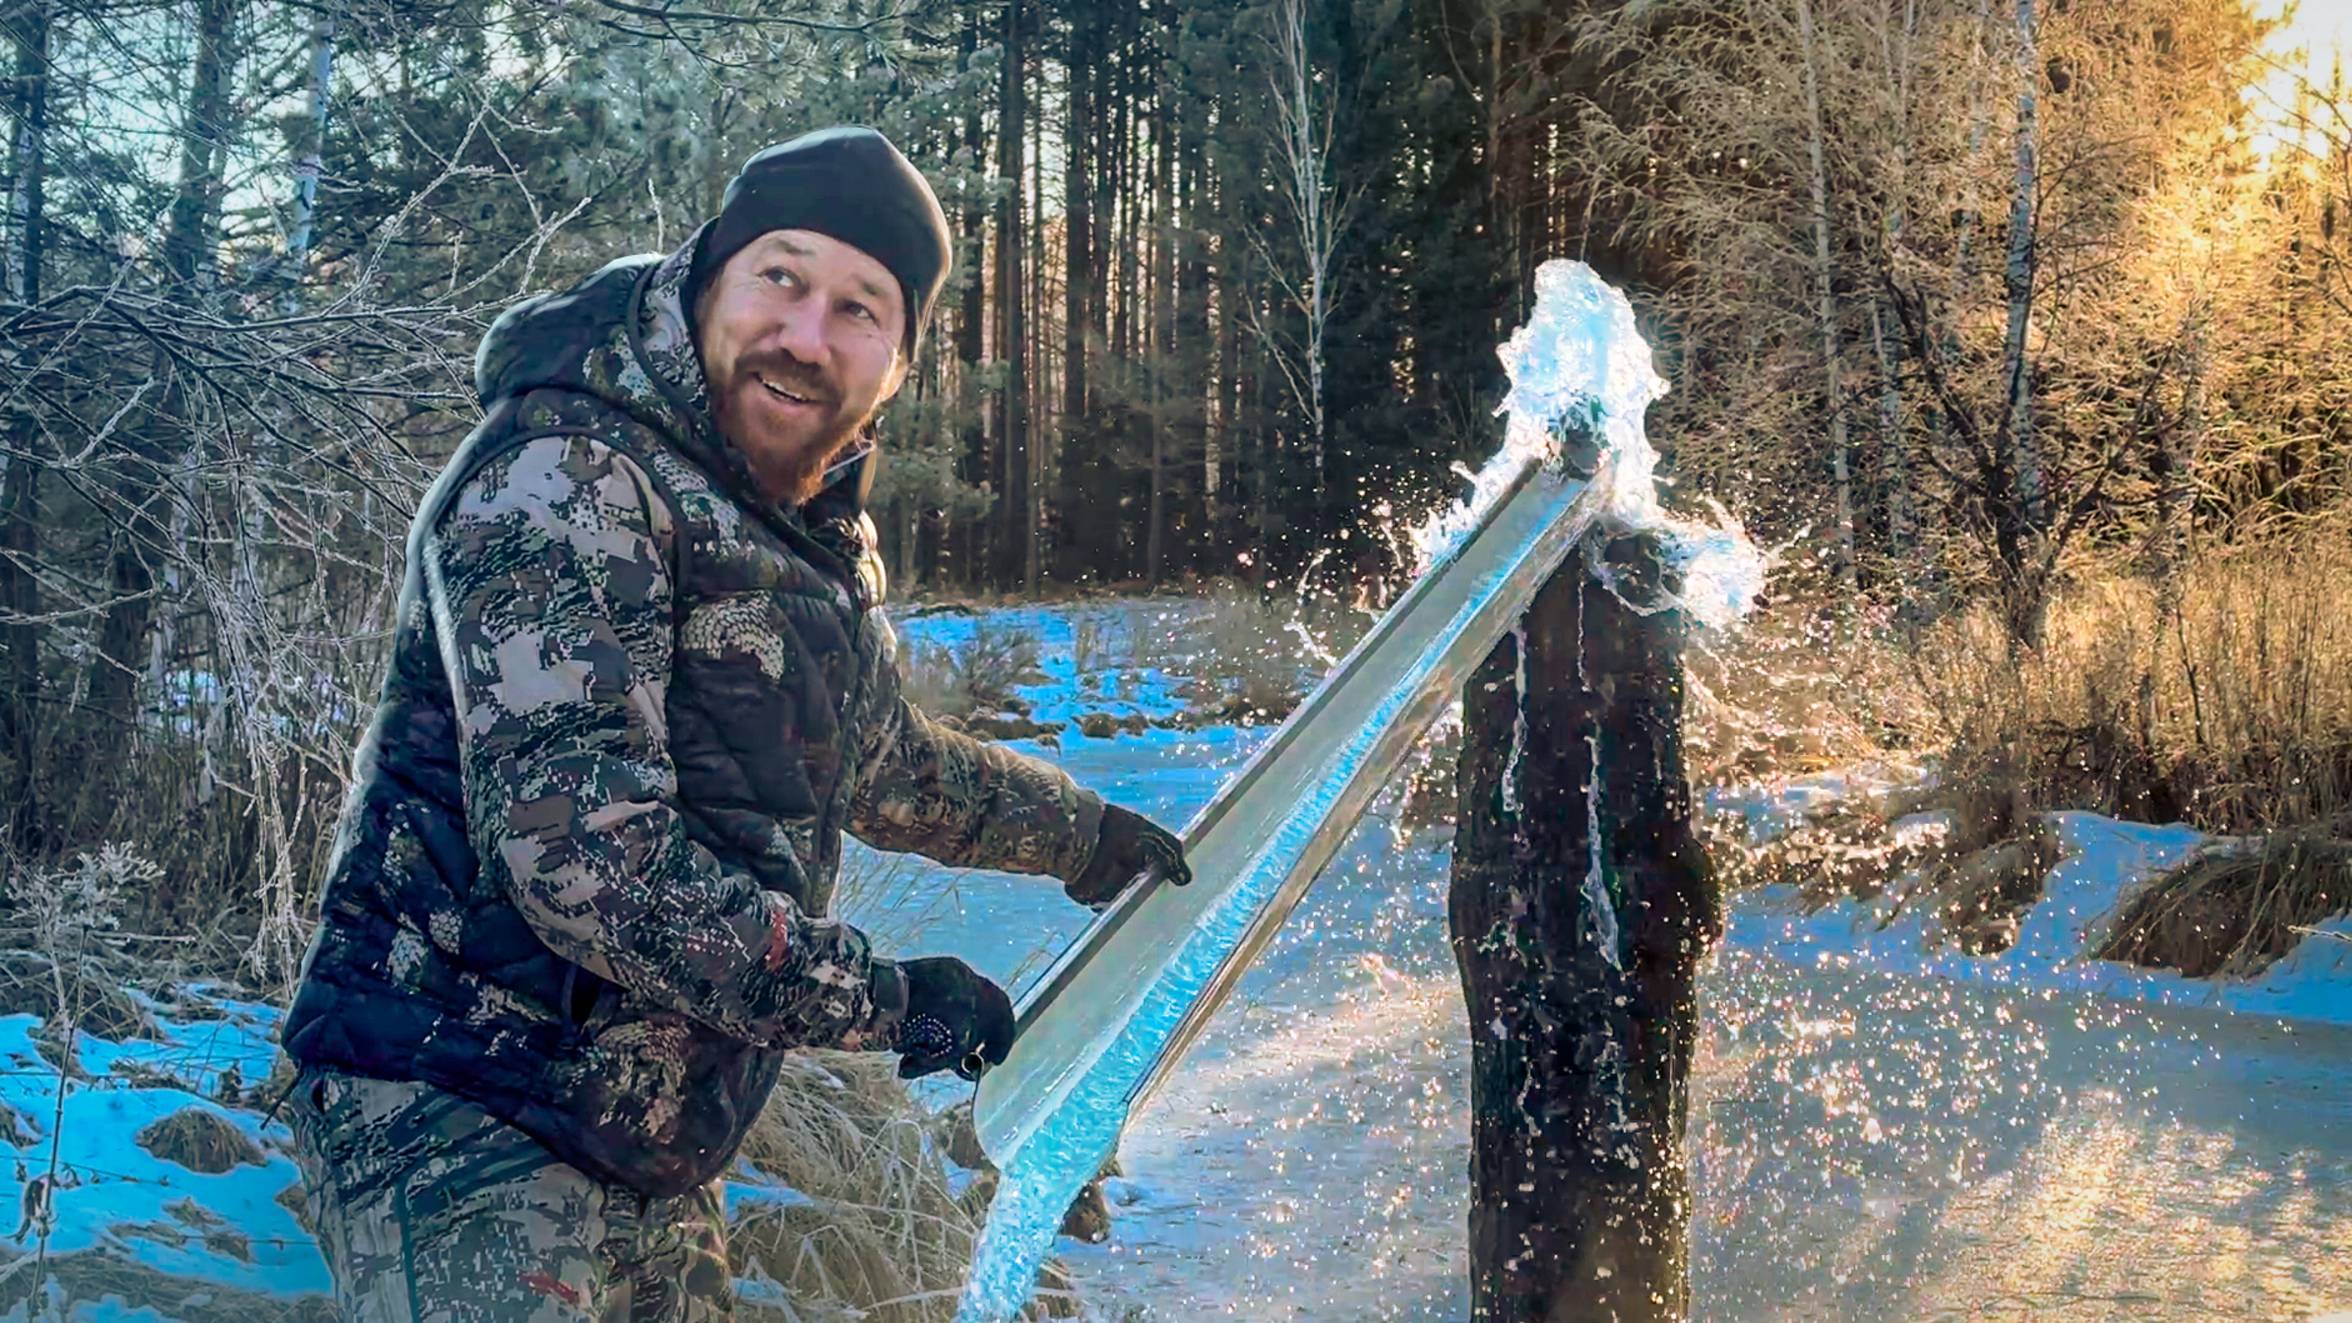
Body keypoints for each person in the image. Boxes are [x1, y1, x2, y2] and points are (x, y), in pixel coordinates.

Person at [277, 126, 1190, 1321]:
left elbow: (883, 763)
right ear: (710, 278)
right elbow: (586, 864)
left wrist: (1083, 837)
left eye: (860, 308)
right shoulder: (569, 473)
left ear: (897, 363)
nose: (807, 337)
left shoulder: (800, 531)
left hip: (648, 1123)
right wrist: (886, 999)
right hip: (460, 1097)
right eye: (783, 277)